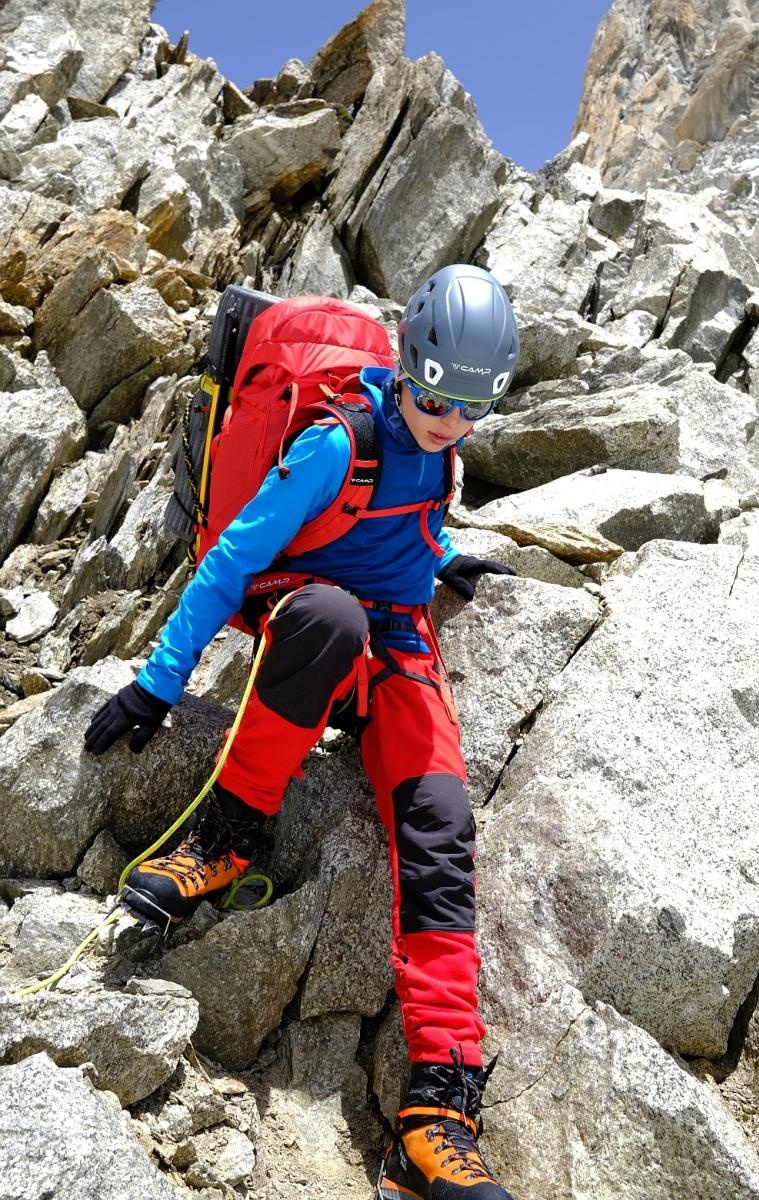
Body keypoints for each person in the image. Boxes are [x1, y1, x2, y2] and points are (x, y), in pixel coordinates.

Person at [85, 263, 519, 1200]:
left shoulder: (444, 452)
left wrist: (442, 558)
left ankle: (438, 1106)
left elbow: (407, 527)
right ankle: (230, 831)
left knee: (442, 818)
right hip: (310, 617)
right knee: (333, 618)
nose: (452, 422)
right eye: (440, 396)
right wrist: (157, 683)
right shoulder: (335, 443)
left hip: (394, 638)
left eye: (475, 407)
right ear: (409, 363)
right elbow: (236, 554)